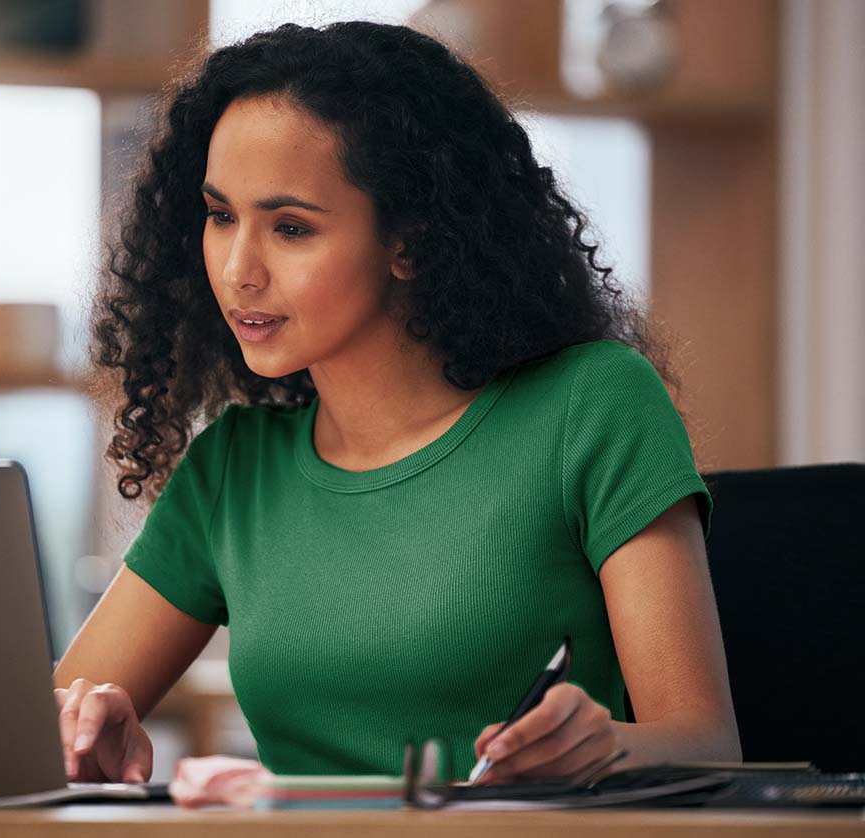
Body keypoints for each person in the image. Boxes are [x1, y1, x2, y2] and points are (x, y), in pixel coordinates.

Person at [52, 20, 741, 786]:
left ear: (409, 241)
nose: (239, 269)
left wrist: (604, 747)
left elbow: (706, 743)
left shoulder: (591, 405)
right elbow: (41, 731)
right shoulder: (233, 467)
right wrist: (84, 726)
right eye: (220, 216)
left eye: (290, 227)